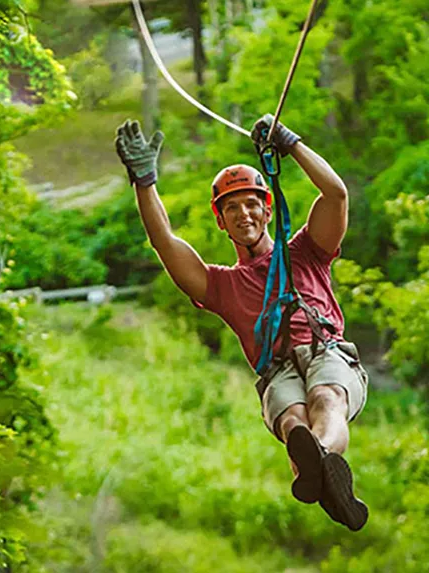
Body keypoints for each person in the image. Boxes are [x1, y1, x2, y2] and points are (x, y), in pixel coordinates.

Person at [114, 114, 369, 531]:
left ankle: (319, 461)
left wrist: (291, 143)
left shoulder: (307, 250)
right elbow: (165, 242)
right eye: (232, 208)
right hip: (277, 370)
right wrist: (145, 182)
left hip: (327, 351)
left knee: (325, 398)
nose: (243, 214)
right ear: (221, 221)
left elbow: (336, 195)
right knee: (292, 420)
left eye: (252, 204)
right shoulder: (221, 286)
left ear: (267, 210)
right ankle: (321, 469)